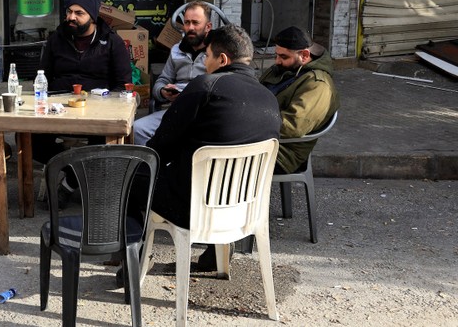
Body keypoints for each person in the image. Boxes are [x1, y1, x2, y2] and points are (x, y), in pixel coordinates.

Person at [122, 25, 281, 282]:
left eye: (207, 56)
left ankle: (132, 264)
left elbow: (159, 147)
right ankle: (212, 257)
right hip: (244, 209)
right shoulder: (269, 98)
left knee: (131, 175)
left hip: (196, 207)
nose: (205, 62)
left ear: (223, 60)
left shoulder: (206, 86)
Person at [33, 0, 131, 164]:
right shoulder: (56, 38)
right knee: (28, 138)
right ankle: (68, 167)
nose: (71, 17)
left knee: (102, 148)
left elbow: (123, 84)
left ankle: (81, 176)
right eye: (69, 12)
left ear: (92, 17)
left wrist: (104, 105)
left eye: (79, 13)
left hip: (98, 110)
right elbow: (43, 76)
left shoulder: (112, 42)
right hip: (59, 109)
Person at [260, 26, 340, 174]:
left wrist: (248, 124)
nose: (277, 61)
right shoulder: (282, 70)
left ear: (304, 55)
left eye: (284, 57)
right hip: (261, 140)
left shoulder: (318, 85)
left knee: (217, 158)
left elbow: (292, 126)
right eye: (276, 55)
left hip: (282, 154)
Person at [133, 1, 212, 145]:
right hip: (177, 111)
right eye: (187, 23)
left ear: (208, 27)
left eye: (196, 23)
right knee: (137, 129)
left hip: (205, 113)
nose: (190, 28)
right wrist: (163, 92)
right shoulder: (177, 49)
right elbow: (162, 80)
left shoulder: (216, 52)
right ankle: (155, 167)